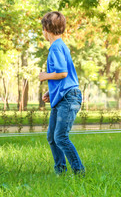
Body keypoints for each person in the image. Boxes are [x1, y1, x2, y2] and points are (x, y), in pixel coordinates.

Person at [39, 11, 84, 175]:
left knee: (60, 137)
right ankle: (60, 170)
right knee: (52, 137)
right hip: (62, 96)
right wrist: (51, 92)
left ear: (46, 29)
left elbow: (63, 73)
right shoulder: (59, 46)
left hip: (68, 98)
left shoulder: (56, 48)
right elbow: (65, 77)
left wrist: (44, 76)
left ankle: (79, 171)